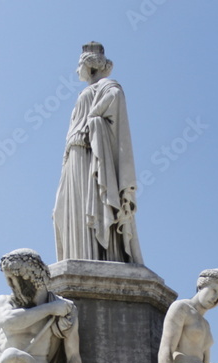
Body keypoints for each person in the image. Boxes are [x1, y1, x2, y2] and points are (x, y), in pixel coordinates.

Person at [53, 42, 143, 264]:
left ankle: (100, 256)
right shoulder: (86, 90)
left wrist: (92, 119)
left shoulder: (107, 85)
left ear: (91, 65)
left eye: (81, 63)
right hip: (74, 155)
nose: (78, 69)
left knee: (95, 200)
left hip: (92, 154)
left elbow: (115, 98)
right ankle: (78, 254)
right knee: (61, 211)